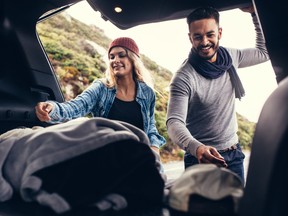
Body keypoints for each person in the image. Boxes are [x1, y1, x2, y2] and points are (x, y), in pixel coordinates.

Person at [166, 5, 270, 184]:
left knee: (236, 210)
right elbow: (174, 122)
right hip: (200, 159)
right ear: (190, 38)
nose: (204, 42)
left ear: (219, 33)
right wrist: (197, 148)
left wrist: (255, 13)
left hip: (234, 155)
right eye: (197, 36)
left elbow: (264, 52)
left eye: (210, 35)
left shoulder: (231, 56)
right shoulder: (183, 77)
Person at [35, 37, 166, 154]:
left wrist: (154, 148)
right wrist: (52, 109)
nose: (116, 60)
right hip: (108, 155)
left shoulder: (147, 93)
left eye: (121, 55)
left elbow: (151, 127)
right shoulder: (101, 87)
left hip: (138, 157)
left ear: (133, 59)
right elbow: (75, 107)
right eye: (112, 57)